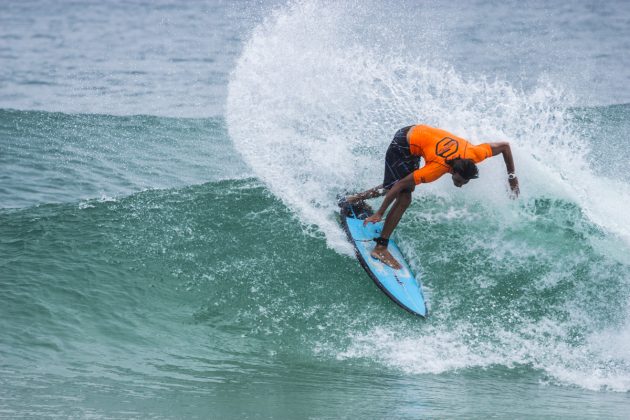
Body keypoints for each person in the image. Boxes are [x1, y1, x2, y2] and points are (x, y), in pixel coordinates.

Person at [343, 124, 519, 269]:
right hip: (402, 144)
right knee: (404, 196)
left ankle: (354, 199)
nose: (460, 185)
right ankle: (380, 248)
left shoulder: (476, 153)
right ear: (454, 170)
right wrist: (380, 212)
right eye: (459, 180)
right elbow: (400, 185)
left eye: (464, 183)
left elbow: (505, 147)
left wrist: (512, 177)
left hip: (417, 134)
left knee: (399, 182)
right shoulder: (436, 169)